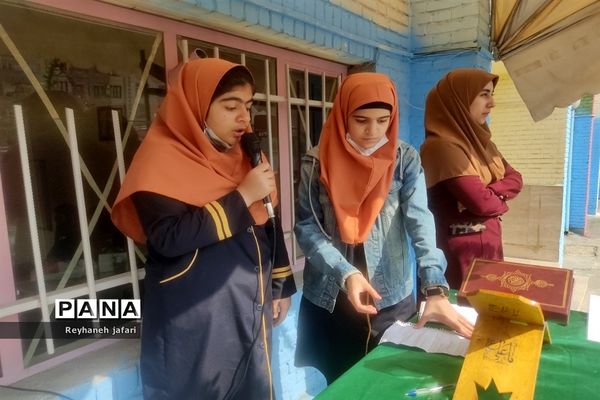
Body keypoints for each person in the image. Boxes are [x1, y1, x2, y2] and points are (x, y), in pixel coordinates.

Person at [111, 58, 296, 400]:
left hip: (250, 306)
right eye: (230, 106)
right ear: (195, 107)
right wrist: (242, 197)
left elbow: (268, 219)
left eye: (248, 106)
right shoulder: (159, 159)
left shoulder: (246, 155)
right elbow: (168, 238)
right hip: (195, 319)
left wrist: (281, 284)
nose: (244, 118)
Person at [294, 72, 474, 384]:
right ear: (343, 115)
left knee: (388, 380)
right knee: (342, 382)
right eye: (361, 120)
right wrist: (346, 274)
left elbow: (421, 221)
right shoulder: (317, 161)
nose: (373, 131)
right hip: (333, 296)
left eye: (382, 121)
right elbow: (307, 228)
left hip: (390, 296)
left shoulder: (403, 159)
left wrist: (434, 287)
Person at [420, 68, 523, 289]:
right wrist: (497, 199)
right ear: (458, 99)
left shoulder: (482, 144)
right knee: (464, 309)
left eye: (491, 94)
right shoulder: (442, 147)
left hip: (487, 251)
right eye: (484, 94)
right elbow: (481, 203)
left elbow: (516, 178)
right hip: (463, 258)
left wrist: (492, 193)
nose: (492, 103)